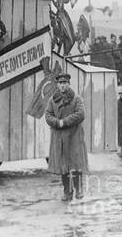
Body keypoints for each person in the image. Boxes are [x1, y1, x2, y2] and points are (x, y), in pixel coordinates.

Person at [45, 73, 88, 201]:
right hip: (59, 137)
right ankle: (67, 192)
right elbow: (48, 115)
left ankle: (79, 189)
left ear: (69, 84)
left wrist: (65, 121)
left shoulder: (76, 98)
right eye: (60, 83)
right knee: (63, 165)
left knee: (76, 163)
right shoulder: (52, 100)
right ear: (57, 85)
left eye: (65, 83)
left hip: (74, 136)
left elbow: (81, 114)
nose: (63, 86)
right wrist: (58, 122)